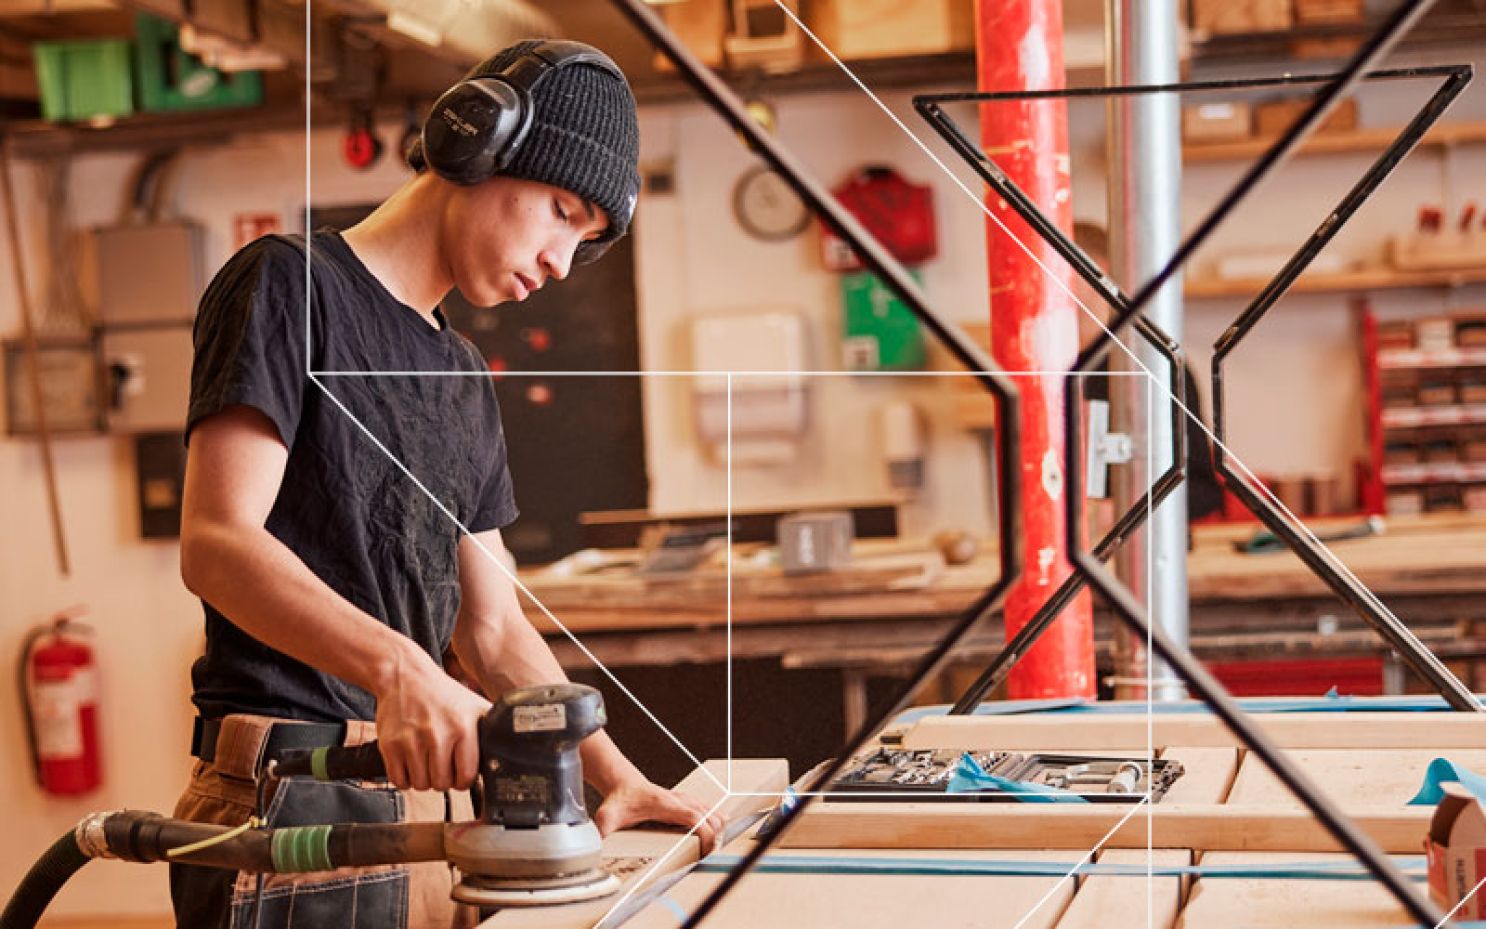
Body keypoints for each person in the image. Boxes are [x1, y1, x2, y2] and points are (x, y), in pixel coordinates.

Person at [170, 39, 722, 928]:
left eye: (581, 242)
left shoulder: (461, 375)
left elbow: (494, 626)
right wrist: (400, 671)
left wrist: (615, 777)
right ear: (479, 143)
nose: (558, 261)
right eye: (560, 211)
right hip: (292, 787)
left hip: (427, 790)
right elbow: (217, 542)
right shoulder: (287, 287)